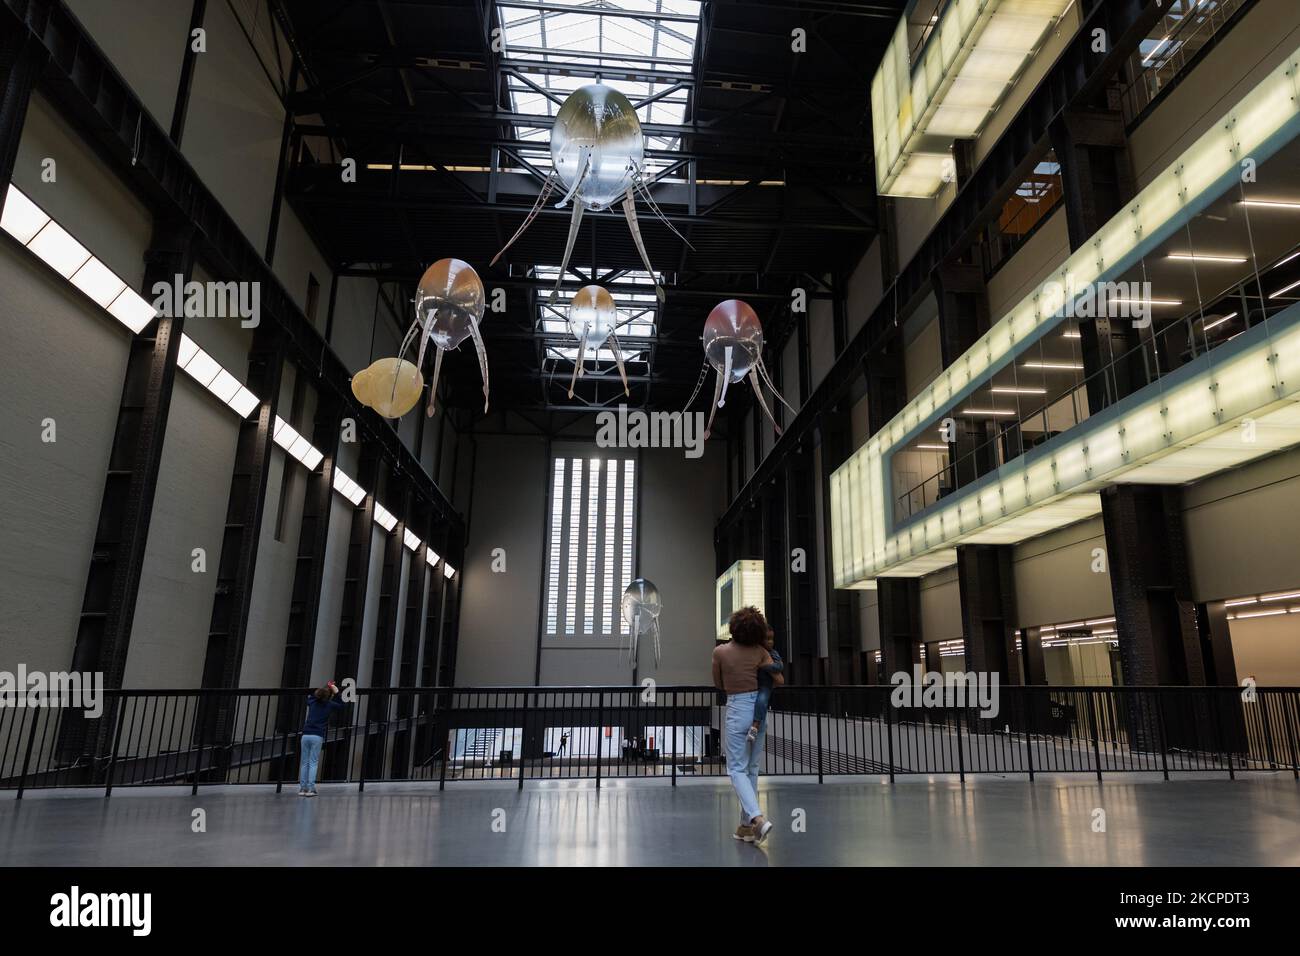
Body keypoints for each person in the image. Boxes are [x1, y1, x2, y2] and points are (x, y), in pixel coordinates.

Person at [712, 606, 783, 845]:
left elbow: (718, 683)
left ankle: (757, 819)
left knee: (736, 769)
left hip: (737, 707)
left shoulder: (720, 652)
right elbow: (777, 680)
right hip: (759, 712)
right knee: (751, 768)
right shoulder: (761, 652)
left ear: (734, 627)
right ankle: (746, 826)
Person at [298, 681, 344, 797]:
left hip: (305, 734)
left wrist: (324, 688)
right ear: (330, 695)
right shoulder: (329, 704)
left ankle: (302, 789)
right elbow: (342, 706)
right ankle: (311, 789)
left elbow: (311, 697)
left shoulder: (312, 702)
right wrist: (336, 692)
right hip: (317, 735)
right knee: (313, 763)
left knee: (304, 762)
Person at [748, 629, 783, 742]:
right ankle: (761, 725)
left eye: (772, 639)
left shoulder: (773, 653)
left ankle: (756, 725)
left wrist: (763, 666)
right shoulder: (756, 651)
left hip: (765, 685)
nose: (770, 642)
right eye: (767, 639)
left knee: (762, 700)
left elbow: (779, 666)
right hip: (754, 684)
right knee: (760, 705)